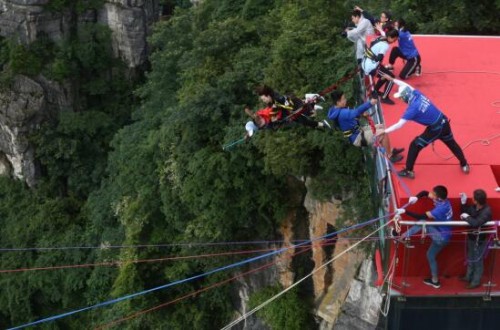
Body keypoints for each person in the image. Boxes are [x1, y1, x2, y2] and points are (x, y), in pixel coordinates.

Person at [377, 75, 469, 179]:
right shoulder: (417, 94)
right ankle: (464, 164)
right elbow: (406, 85)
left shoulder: (412, 110)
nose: (401, 99)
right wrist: (392, 79)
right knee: (452, 144)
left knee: (415, 145)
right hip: (444, 121)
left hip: (436, 129)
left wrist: (384, 131)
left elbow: (399, 125)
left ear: (405, 98)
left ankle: (409, 171)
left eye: (401, 98)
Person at [396, 185, 453, 289]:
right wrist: (416, 197)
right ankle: (435, 281)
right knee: (430, 255)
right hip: (444, 236)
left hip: (441, 237)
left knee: (424, 223)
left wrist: (405, 211)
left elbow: (421, 217)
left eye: (433, 193)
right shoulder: (445, 201)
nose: (430, 193)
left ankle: (401, 237)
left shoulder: (440, 209)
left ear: (437, 197)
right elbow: (425, 192)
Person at [327, 90, 404, 162]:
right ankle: (390, 155)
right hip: (358, 137)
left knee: (381, 126)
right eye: (343, 99)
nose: (345, 100)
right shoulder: (342, 112)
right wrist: (370, 103)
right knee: (383, 133)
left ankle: (389, 150)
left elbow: (350, 118)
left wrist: (360, 115)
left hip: (358, 131)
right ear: (338, 102)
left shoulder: (334, 110)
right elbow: (356, 112)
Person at [244, 85, 329, 138]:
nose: (263, 101)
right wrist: (248, 134)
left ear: (268, 95)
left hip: (290, 108)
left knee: (310, 113)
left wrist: (273, 115)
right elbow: (254, 128)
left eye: (263, 99)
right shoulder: (263, 126)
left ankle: (311, 99)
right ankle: (323, 124)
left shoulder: (274, 102)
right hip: (287, 116)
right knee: (305, 122)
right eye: (259, 124)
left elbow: (257, 116)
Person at [459, 189, 493, 289]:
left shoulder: (487, 211)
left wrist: (467, 217)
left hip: (480, 240)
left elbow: (476, 223)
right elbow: (466, 212)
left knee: (478, 260)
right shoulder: (475, 207)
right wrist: (463, 203)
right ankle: (468, 277)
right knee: (470, 257)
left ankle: (475, 282)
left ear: (476, 201)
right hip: (472, 237)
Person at [361, 29, 400, 105]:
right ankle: (385, 98)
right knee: (391, 77)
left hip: (365, 62)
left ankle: (375, 90)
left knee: (385, 73)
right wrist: (379, 64)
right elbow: (379, 57)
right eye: (394, 39)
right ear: (389, 37)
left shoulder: (381, 38)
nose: (394, 41)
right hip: (371, 66)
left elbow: (372, 43)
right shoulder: (385, 45)